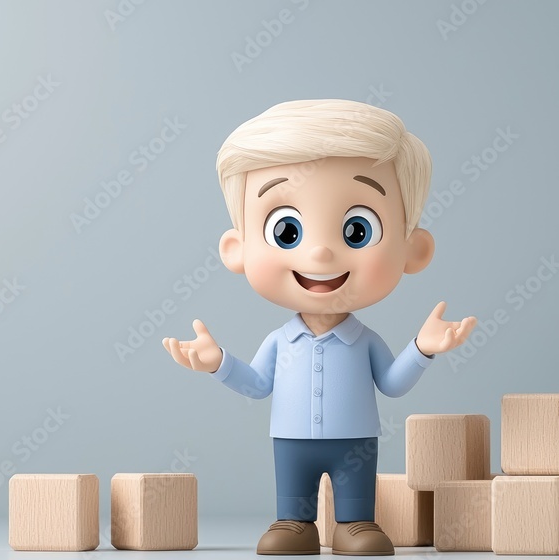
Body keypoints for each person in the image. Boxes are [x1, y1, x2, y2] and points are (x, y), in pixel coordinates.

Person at [163, 99, 476, 555]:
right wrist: (219, 364)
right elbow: (257, 386)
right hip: (290, 439)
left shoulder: (364, 342)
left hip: (357, 440)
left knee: (355, 501)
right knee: (292, 498)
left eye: (357, 230)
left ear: (413, 250)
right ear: (237, 248)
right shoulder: (279, 341)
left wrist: (422, 349)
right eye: (287, 230)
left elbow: (391, 384)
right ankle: (294, 523)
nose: (321, 254)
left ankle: (354, 524)